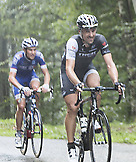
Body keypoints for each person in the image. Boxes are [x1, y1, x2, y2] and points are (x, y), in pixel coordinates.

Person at [60, 14, 123, 162]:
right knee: (73, 108)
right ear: (80, 31)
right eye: (87, 31)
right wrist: (77, 83)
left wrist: (116, 82)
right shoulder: (73, 42)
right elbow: (69, 68)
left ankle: (94, 118)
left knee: (96, 87)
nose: (91, 34)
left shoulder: (100, 40)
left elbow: (110, 64)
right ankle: (71, 146)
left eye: (93, 30)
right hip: (70, 72)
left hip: (87, 68)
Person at [8, 37, 51, 148]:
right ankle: (18, 133)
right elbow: (11, 77)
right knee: (21, 106)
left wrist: (46, 84)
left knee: (36, 89)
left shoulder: (39, 56)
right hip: (19, 80)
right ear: (25, 50)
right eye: (30, 50)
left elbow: (46, 73)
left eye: (34, 49)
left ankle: (34, 112)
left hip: (31, 76)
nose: (33, 52)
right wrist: (21, 87)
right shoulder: (18, 57)